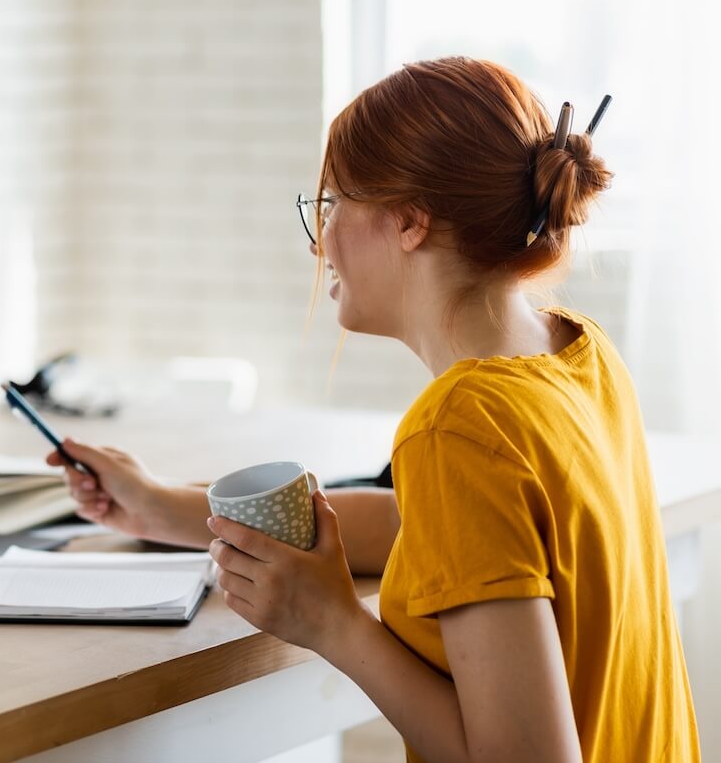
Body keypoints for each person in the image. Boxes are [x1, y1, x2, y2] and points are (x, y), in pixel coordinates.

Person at [47, 58, 698, 762]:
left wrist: (334, 625)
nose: (318, 239)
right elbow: (437, 531)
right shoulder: (581, 354)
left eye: (332, 205)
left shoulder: (460, 425)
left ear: (410, 221)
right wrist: (159, 508)